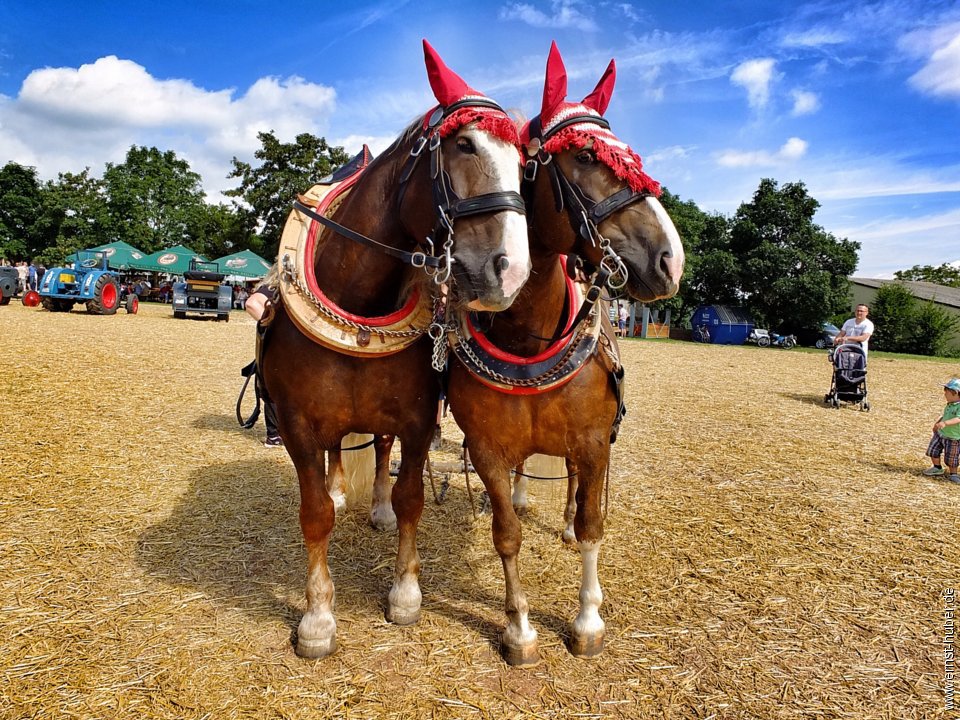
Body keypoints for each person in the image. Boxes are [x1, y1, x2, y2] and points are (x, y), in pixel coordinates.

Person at [244, 281, 283, 448]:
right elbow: (252, 304)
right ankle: (275, 435)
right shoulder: (281, 283)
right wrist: (278, 333)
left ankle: (276, 435)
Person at [923, 378, 960, 483]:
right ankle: (937, 467)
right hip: (941, 434)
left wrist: (945, 423)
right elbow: (945, 416)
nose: (944, 395)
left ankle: (953, 473)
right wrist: (938, 423)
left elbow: (958, 418)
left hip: (953, 437)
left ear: (956, 393)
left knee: (952, 458)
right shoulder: (950, 404)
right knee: (933, 450)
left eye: (946, 393)